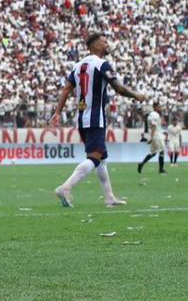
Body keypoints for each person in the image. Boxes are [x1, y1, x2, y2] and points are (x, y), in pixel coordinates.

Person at [49, 33, 147, 208]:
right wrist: (136, 95)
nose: (107, 44)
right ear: (95, 46)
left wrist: (57, 112)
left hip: (82, 119)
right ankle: (65, 187)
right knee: (94, 159)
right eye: (104, 42)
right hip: (96, 118)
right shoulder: (102, 64)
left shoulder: (78, 66)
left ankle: (109, 197)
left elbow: (66, 89)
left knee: (101, 158)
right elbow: (118, 88)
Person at [138, 103, 167, 174]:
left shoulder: (151, 115)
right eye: (159, 106)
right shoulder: (155, 115)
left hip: (154, 134)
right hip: (157, 135)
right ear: (155, 107)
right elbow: (154, 126)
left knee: (153, 153)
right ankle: (161, 169)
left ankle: (142, 163)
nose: (160, 108)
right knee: (162, 151)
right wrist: (151, 137)